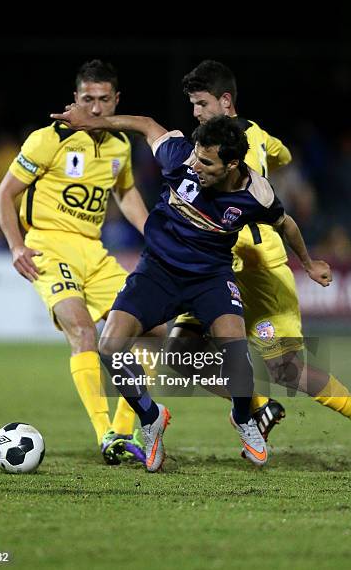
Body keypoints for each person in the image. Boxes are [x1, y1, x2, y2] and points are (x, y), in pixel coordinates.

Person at [50, 105, 331, 472]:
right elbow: (148, 125)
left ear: (231, 166)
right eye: (197, 158)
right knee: (110, 347)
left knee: (236, 355)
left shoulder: (256, 193)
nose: (196, 167)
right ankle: (151, 418)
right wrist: (95, 121)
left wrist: (308, 264)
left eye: (207, 163)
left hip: (210, 278)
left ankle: (244, 419)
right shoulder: (180, 156)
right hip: (157, 273)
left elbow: (286, 224)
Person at [168, 61, 351, 443]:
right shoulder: (260, 136)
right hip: (215, 267)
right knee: (179, 356)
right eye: (193, 105)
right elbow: (283, 157)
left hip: (258, 268)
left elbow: (244, 195)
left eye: (202, 103)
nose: (196, 112)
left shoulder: (232, 149)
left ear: (226, 100)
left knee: (287, 368)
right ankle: (259, 405)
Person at [0, 60, 162, 465]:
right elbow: (4, 196)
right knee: (83, 331)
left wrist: (156, 236)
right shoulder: (48, 140)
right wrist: (17, 247)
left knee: (155, 331)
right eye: (88, 99)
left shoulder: (120, 145)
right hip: (49, 247)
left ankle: (125, 431)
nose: (96, 108)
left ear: (116, 100)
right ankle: (105, 433)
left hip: (94, 250)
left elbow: (125, 193)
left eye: (104, 99)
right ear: (75, 99)